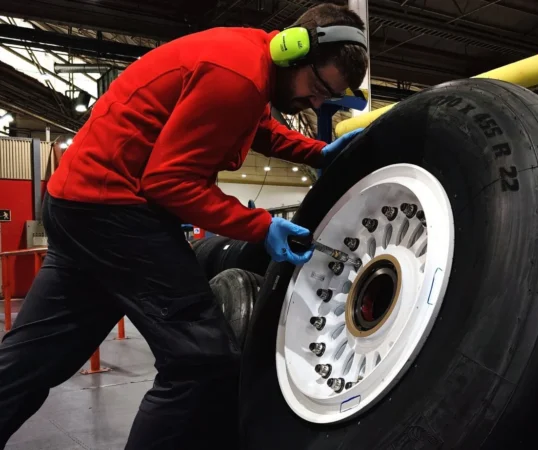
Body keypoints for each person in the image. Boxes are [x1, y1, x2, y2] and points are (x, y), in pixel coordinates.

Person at [0, 3, 367, 449]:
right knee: (202, 360)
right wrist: (260, 225)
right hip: (115, 211)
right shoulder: (238, 76)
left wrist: (315, 152)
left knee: (31, 361)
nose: (317, 103)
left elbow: (257, 128)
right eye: (318, 88)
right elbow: (168, 182)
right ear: (294, 49)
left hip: (76, 204)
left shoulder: (248, 57)